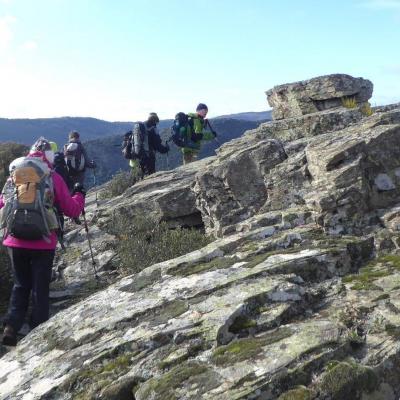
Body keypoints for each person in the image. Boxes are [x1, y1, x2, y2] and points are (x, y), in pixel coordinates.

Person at [0, 137, 85, 346]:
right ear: (49, 157)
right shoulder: (52, 177)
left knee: (20, 284)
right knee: (40, 286)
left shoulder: (15, 175)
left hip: (15, 240)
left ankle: (11, 327)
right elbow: (71, 209)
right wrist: (80, 195)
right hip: (43, 241)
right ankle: (38, 331)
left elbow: (3, 203)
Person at [128, 113, 169, 177]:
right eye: (157, 122)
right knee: (150, 175)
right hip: (148, 157)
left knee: (140, 175)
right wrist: (166, 149)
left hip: (138, 155)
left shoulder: (141, 127)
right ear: (155, 121)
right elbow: (157, 145)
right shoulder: (152, 129)